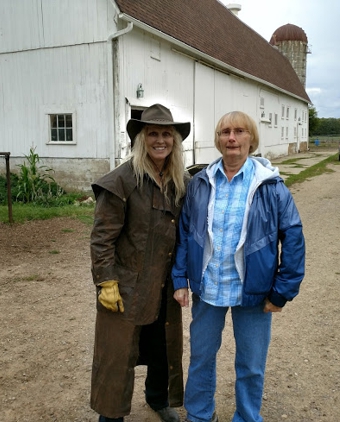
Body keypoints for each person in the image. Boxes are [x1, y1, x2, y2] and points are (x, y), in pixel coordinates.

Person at [172, 111, 305, 422]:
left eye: (239, 132)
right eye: (225, 132)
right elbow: (185, 233)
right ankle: (199, 415)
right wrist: (180, 278)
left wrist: (282, 291)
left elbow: (294, 237)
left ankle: (246, 417)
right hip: (209, 286)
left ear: (251, 140)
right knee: (201, 357)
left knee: (251, 364)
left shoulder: (270, 186)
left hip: (254, 292)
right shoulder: (200, 183)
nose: (231, 138)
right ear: (218, 140)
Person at [90, 104, 191, 422]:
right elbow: (101, 238)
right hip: (125, 286)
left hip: (164, 284)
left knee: (162, 349)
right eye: (153, 134)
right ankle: (111, 416)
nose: (160, 140)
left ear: (174, 141)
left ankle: (158, 400)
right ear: (141, 139)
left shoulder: (178, 182)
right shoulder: (121, 181)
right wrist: (105, 280)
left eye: (166, 134)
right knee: (117, 357)